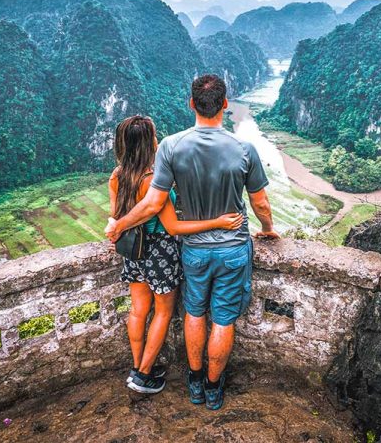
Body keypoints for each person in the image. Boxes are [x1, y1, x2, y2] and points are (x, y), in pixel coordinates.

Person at [106, 74, 279, 411]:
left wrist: (119, 225)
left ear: (191, 104)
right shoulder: (245, 149)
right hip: (232, 249)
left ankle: (195, 381)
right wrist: (269, 227)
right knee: (224, 320)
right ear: (225, 105)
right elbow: (260, 204)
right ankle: (214, 388)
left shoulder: (171, 145)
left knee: (194, 314)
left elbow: (153, 204)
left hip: (194, 250)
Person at [107, 115, 244, 395]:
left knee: (138, 310)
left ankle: (137, 367)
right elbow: (173, 226)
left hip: (132, 251)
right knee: (163, 312)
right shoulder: (152, 182)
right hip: (159, 251)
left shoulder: (117, 176)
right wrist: (218, 222)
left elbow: (116, 217)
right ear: (151, 143)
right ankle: (144, 375)